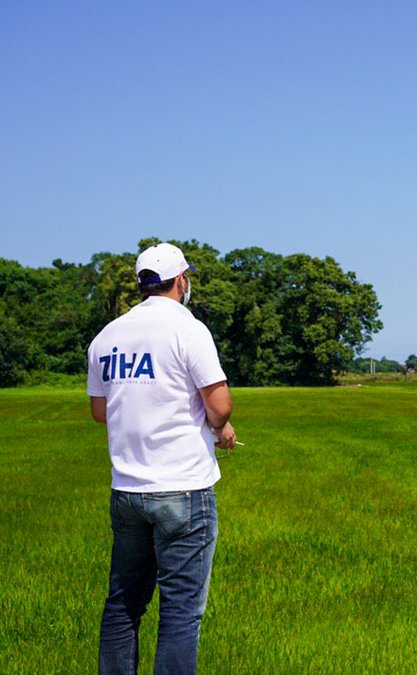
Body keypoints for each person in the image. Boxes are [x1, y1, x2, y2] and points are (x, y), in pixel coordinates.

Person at [87, 242, 237, 675]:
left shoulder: (108, 336)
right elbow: (220, 404)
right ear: (181, 280)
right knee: (180, 612)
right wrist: (217, 425)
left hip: (128, 491)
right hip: (184, 490)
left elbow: (101, 411)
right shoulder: (188, 329)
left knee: (123, 606)